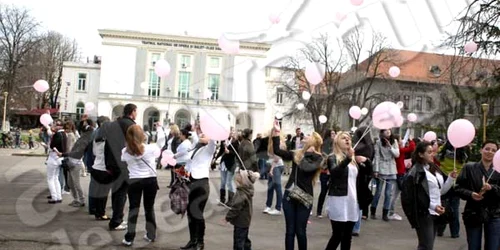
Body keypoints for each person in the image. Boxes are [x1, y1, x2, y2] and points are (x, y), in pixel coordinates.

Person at [271, 128, 323, 250]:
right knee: (290, 230)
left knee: (300, 231)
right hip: (290, 194)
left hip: (305, 197)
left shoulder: (318, 157)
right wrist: (276, 135)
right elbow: (278, 151)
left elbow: (306, 167)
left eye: (309, 136)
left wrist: (308, 153)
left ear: (313, 142)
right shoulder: (297, 153)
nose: (305, 136)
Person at [401, 141, 456, 250]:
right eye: (429, 152)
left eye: (433, 152)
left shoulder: (434, 168)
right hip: (424, 213)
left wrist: (450, 179)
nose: (433, 154)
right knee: (426, 245)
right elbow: (416, 197)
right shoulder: (415, 173)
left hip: (437, 212)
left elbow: (440, 192)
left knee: (428, 245)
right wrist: (433, 206)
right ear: (421, 154)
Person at [325, 131, 369, 249]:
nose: (347, 140)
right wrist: (347, 159)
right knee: (337, 235)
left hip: (352, 200)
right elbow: (335, 173)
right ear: (337, 142)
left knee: (347, 236)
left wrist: (367, 161)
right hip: (339, 200)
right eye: (343, 138)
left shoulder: (354, 159)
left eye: (348, 138)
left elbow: (367, 174)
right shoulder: (332, 157)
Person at [455, 140, 500, 250]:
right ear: (481, 150)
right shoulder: (469, 167)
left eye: (494, 150)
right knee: (473, 246)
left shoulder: (498, 169)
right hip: (473, 211)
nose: (490, 152)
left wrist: (492, 188)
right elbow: (457, 188)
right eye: (487, 149)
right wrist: (471, 194)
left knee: (493, 246)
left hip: (494, 213)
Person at [120, 125, 159, 246]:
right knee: (149, 208)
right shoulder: (152, 148)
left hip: (134, 181)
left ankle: (129, 238)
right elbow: (158, 154)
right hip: (150, 180)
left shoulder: (125, 151)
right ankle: (151, 234)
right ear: (142, 135)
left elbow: (123, 160)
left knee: (133, 209)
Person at [103, 103, 137, 231]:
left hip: (112, 163)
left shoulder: (113, 124)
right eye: (136, 111)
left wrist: (107, 163)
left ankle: (116, 219)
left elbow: (107, 145)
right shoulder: (131, 125)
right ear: (132, 112)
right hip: (124, 163)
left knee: (116, 192)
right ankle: (117, 220)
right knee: (122, 193)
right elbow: (135, 146)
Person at [180, 134, 217, 250]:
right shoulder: (196, 148)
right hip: (191, 182)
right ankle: (193, 240)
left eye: (204, 134)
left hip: (202, 184)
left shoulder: (209, 149)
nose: (201, 135)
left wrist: (212, 136)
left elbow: (213, 143)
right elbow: (189, 164)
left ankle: (200, 242)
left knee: (197, 213)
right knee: (190, 213)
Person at [223, 170, 260, 250]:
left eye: (236, 180)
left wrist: (227, 218)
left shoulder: (241, 194)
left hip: (240, 221)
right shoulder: (247, 190)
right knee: (244, 238)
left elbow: (236, 208)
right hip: (245, 220)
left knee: (238, 241)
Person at [371, 129, 400, 221]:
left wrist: (390, 146)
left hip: (391, 168)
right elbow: (377, 156)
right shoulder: (378, 142)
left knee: (388, 193)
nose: (388, 132)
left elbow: (397, 155)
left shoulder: (394, 141)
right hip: (382, 167)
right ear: (382, 132)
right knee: (378, 192)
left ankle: (385, 213)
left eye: (389, 130)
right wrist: (376, 170)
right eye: (386, 131)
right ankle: (373, 211)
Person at [351, 127, 374, 236]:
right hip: (364, 175)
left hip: (359, 174)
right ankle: (356, 226)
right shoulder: (369, 145)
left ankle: (355, 226)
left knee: (357, 200)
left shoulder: (359, 145)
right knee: (359, 200)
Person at [389, 131, 416, 221]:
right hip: (400, 173)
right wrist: (411, 140)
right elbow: (412, 148)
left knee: (394, 194)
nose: (402, 141)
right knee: (397, 194)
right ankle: (390, 212)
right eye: (400, 139)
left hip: (398, 172)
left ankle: (389, 211)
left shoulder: (398, 149)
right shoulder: (399, 150)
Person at [90, 116, 113, 221]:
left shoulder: (97, 139)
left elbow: (94, 153)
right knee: (104, 193)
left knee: (98, 191)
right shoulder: (108, 141)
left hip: (96, 166)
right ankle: (101, 213)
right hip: (104, 169)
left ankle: (97, 211)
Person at [263, 130, 285, 216]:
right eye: (272, 132)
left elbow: (277, 158)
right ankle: (268, 205)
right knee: (270, 187)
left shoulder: (279, 142)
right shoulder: (271, 143)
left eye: (275, 132)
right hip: (273, 166)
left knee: (277, 187)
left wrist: (271, 169)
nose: (273, 134)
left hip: (277, 166)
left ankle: (278, 208)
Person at [215, 132, 239, 205]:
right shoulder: (223, 141)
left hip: (231, 164)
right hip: (223, 163)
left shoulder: (235, 142)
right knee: (223, 182)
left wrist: (229, 152)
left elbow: (237, 153)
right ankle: (222, 199)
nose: (231, 134)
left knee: (229, 182)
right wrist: (215, 158)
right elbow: (221, 151)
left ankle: (231, 200)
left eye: (232, 132)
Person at [316, 129, 335, 218]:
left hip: (332, 171)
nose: (334, 135)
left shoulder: (335, 144)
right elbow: (323, 156)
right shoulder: (325, 144)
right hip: (325, 170)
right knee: (324, 191)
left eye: (334, 133)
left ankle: (329, 210)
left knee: (331, 192)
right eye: (332, 133)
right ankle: (319, 211)